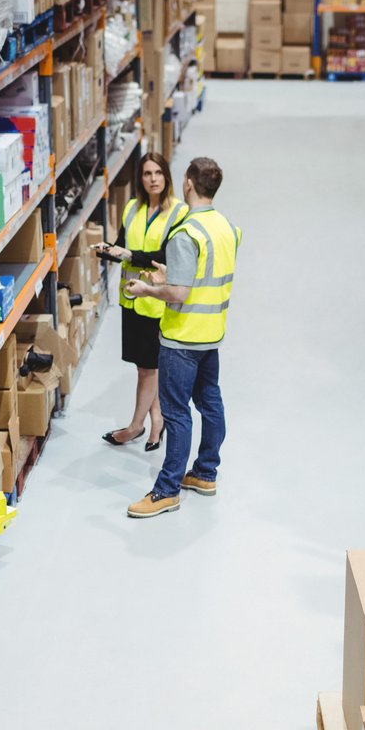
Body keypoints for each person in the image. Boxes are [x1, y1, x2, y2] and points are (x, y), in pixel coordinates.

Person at [120, 157, 239, 519]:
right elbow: (203, 276)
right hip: (211, 333)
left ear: (187, 183)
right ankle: (205, 472)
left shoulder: (185, 233)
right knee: (211, 403)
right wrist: (171, 275)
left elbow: (180, 295)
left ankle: (167, 489)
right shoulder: (226, 227)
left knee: (176, 413)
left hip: (182, 338)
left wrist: (145, 289)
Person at [94, 152, 187, 450]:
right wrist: (108, 249)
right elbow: (123, 244)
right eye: (147, 174)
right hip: (131, 299)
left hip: (156, 300)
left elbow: (166, 256)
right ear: (141, 178)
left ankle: (135, 426)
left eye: (158, 173)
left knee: (148, 368)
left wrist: (130, 256)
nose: (153, 179)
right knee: (145, 367)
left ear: (167, 176)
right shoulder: (132, 208)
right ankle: (157, 419)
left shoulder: (178, 213)